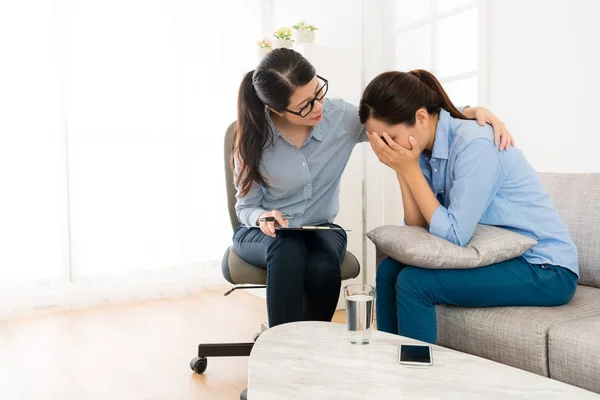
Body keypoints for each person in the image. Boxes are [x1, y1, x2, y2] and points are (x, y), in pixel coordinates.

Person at [232, 49, 514, 328]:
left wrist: (469, 112)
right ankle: (282, 349)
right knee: (288, 249)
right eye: (305, 105)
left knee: (322, 267)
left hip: (320, 230)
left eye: (318, 92)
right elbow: (245, 207)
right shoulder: (254, 139)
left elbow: (399, 117)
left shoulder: (339, 117)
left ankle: (310, 347)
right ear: (277, 110)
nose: (318, 107)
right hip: (262, 235)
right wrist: (262, 217)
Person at [359, 69, 579, 344]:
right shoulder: (426, 147)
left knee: (415, 283)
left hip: (545, 268)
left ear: (420, 117)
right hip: (499, 255)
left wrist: (409, 169)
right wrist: (401, 169)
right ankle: (389, 366)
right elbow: (418, 225)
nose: (387, 146)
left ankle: (415, 383)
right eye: (379, 141)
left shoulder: (475, 144)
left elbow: (454, 234)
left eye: (390, 137)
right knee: (389, 270)